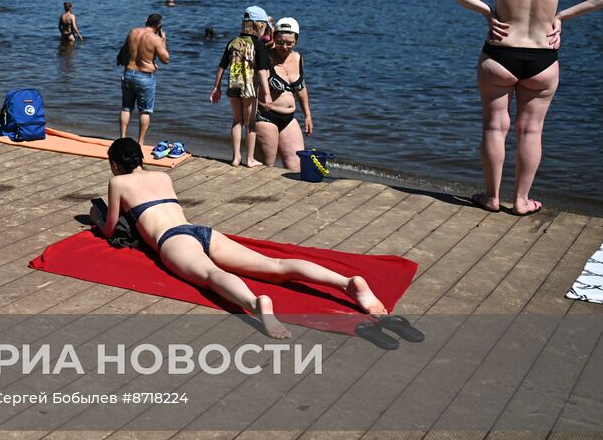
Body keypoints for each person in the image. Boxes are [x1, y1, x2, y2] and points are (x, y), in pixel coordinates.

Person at [91, 138, 388, 339]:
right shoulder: (163, 177)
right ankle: (347, 283)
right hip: (202, 231)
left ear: (115, 163)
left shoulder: (118, 182)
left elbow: (111, 229)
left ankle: (256, 304)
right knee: (276, 266)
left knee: (211, 275)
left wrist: (97, 219)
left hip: (172, 240)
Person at [444, 0, 603, 214]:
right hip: (543, 60)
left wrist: (487, 12)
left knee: (495, 127)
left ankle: (492, 197)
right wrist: (562, 16)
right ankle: (521, 201)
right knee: (531, 130)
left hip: (499, 54)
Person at [211, 7, 271, 167]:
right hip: (250, 88)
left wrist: (216, 88)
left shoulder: (233, 42)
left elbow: (222, 66)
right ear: (259, 25)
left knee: (237, 121)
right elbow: (263, 70)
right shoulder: (258, 45)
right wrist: (267, 93)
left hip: (233, 87)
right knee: (250, 124)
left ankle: (236, 157)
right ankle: (250, 159)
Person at [252, 17, 312, 171]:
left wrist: (307, 115)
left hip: (289, 119)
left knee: (296, 166)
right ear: (274, 38)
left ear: (296, 41)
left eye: (289, 43)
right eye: (280, 42)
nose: (284, 46)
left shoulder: (298, 58)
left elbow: (301, 88)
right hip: (265, 117)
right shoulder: (265, 56)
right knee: (266, 167)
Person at [117, 13, 170, 146]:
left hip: (128, 73)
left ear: (146, 21)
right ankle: (140, 143)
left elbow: (125, 50)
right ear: (159, 26)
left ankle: (122, 139)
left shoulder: (133, 31)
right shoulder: (156, 38)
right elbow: (166, 60)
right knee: (145, 111)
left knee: (126, 108)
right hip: (145, 77)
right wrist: (163, 41)